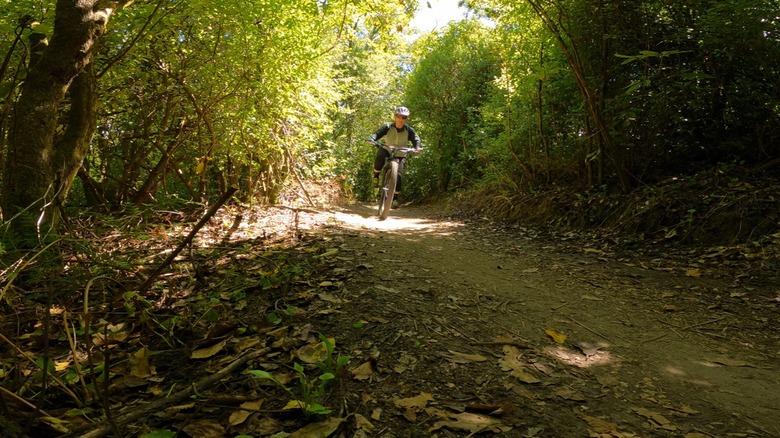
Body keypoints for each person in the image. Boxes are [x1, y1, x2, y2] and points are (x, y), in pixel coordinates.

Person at [366, 106, 422, 206]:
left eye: (404, 117)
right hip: (387, 148)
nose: (401, 119)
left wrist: (417, 147)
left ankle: (395, 198)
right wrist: (372, 139)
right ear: (395, 117)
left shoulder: (409, 130)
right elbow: (377, 134)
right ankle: (376, 175)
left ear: (406, 119)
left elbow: (416, 139)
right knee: (380, 156)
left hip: (401, 153)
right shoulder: (388, 127)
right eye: (399, 116)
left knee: (399, 175)